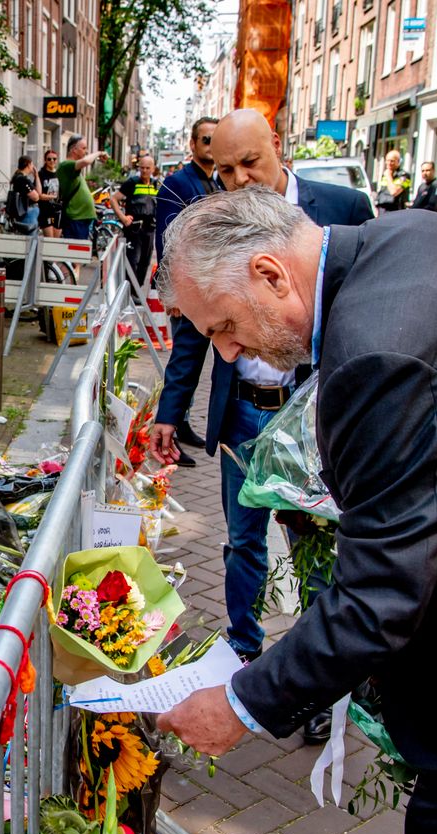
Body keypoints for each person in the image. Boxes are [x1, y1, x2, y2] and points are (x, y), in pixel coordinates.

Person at [154, 187, 437, 834]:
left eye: (223, 325)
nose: (226, 352)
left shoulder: (381, 349)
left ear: (269, 274)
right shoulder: (409, 237)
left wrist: (242, 704)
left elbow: (383, 591)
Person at [152, 108, 372, 744]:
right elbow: (199, 331)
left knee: (315, 546)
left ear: (277, 146)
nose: (240, 179)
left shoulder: (341, 208)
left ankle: (318, 684)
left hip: (317, 414)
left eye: (250, 162)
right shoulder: (216, 223)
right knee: (243, 539)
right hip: (245, 410)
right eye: (225, 170)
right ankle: (242, 651)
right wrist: (171, 411)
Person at [154, 116, 222, 469]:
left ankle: (183, 423)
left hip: (215, 291)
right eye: (206, 139)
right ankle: (172, 430)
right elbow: (167, 239)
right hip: (190, 292)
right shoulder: (177, 183)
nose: (211, 146)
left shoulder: (220, 181)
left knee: (197, 363)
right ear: (193, 144)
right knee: (183, 360)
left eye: (216, 139)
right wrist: (175, 293)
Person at [108, 153, 160, 288]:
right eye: (142, 168)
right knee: (132, 261)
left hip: (149, 228)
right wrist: (123, 218)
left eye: (147, 168)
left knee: (145, 261)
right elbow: (114, 199)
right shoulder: (132, 182)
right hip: (134, 228)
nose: (144, 171)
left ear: (153, 169)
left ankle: (137, 289)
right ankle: (129, 290)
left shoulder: (156, 185)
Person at [56, 135, 108, 241]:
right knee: (76, 249)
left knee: (81, 249)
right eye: (84, 148)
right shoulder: (66, 165)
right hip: (75, 217)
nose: (86, 151)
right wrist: (99, 153)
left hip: (81, 217)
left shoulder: (73, 168)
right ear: (74, 150)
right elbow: (86, 162)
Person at [8, 155, 41, 233]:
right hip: (28, 212)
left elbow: (39, 192)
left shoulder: (20, 178)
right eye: (32, 164)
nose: (33, 166)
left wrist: (36, 176)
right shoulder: (22, 180)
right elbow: (36, 197)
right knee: (31, 237)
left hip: (28, 212)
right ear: (29, 164)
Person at [376, 148, 412, 214]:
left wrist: (388, 176)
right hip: (382, 209)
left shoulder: (404, 176)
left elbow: (394, 192)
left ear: (398, 162)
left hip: (396, 210)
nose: (389, 163)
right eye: (387, 160)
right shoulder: (386, 174)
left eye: (392, 161)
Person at [37, 150, 62, 237]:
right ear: (45, 160)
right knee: (50, 239)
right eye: (49, 159)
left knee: (56, 240)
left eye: (54, 159)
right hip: (46, 211)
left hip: (58, 210)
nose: (52, 161)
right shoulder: (41, 174)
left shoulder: (59, 174)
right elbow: (39, 195)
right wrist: (53, 196)